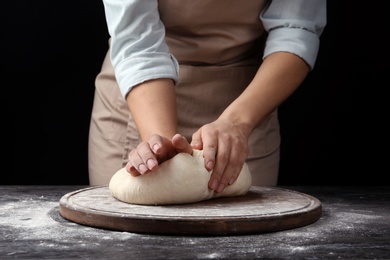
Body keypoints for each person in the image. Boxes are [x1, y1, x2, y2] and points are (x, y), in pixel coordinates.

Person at [88, 0, 327, 193]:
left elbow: (296, 29)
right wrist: (159, 143)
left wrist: (237, 123)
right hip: (141, 98)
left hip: (248, 102)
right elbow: (137, 40)